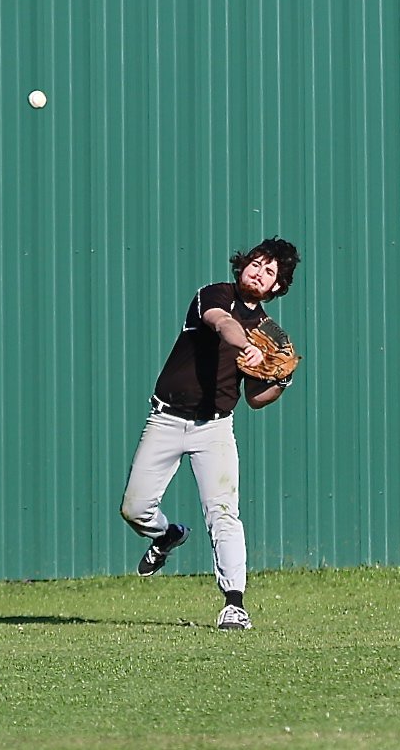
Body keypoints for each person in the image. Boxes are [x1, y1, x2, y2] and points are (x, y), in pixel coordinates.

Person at [120, 237, 301, 630]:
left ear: (277, 287)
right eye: (256, 263)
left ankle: (234, 603)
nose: (259, 272)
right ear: (243, 265)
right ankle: (167, 535)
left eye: (270, 272)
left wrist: (281, 379)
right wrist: (247, 347)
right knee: (134, 510)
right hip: (166, 419)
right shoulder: (214, 294)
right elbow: (222, 324)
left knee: (223, 514)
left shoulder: (269, 331)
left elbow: (256, 398)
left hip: (215, 428)